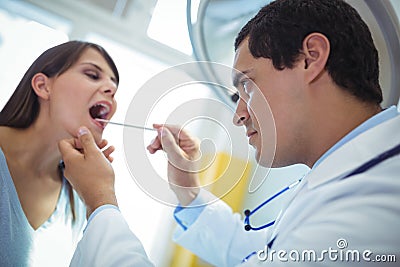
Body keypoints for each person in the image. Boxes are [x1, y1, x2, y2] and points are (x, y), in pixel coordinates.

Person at [59, 0, 400, 266]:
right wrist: (187, 189)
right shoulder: (343, 178)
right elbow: (255, 254)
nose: (238, 116)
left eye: (247, 86)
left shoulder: (380, 198)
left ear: (311, 58)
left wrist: (101, 201)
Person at [0, 40, 119, 266]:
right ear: (44, 86)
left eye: (114, 86)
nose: (111, 90)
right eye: (93, 75)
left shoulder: (76, 197)